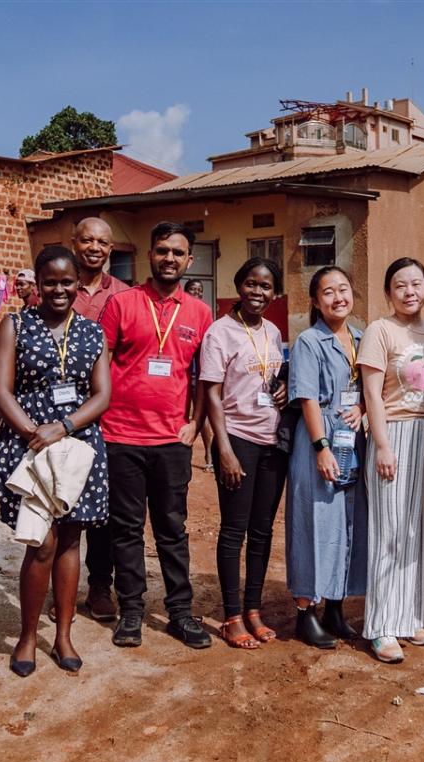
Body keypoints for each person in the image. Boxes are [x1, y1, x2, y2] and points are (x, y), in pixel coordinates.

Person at [0, 246, 111, 677]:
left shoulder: (93, 332)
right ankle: (26, 636)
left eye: (66, 282)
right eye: (50, 282)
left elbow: (102, 395)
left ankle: (62, 634)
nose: (58, 290)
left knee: (71, 540)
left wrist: (61, 426)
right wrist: (31, 434)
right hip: (29, 445)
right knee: (40, 541)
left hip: (79, 445)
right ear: (36, 284)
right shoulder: (16, 324)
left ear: (79, 283)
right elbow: (2, 390)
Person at [99, 221, 214, 649]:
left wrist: (195, 424)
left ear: (189, 260)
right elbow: (101, 364)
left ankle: (180, 613)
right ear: (150, 254)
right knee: (125, 529)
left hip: (171, 441)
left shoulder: (200, 313)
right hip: (121, 437)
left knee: (172, 528)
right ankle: (131, 611)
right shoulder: (122, 303)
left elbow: (205, 379)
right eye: (162, 250)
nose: (169, 258)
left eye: (178, 252)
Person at [357, 257, 424, 664]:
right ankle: (381, 625)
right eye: (400, 285)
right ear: (388, 292)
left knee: (423, 530)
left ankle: (412, 613)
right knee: (391, 532)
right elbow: (372, 395)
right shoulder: (380, 330)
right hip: (394, 434)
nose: (409, 291)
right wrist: (381, 445)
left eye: (416, 283)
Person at [200, 257, 288, 648]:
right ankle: (232, 615)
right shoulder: (220, 333)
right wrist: (224, 449)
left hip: (272, 442)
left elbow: (271, 379)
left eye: (266, 286)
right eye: (251, 283)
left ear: (274, 293)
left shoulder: (272, 330)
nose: (258, 292)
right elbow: (212, 395)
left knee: (263, 530)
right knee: (234, 530)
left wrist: (283, 390)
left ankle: (253, 608)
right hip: (238, 439)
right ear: (239, 285)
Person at [286, 266, 368, 649]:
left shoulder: (360, 337)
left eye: (344, 289)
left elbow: (371, 388)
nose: (338, 298)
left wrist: (364, 411)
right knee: (314, 523)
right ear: (316, 302)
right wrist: (320, 449)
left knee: (348, 525)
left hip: (352, 444)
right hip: (318, 444)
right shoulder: (309, 341)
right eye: (328, 292)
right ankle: (306, 611)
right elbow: (307, 398)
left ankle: (336, 606)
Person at [68, 217, 130, 623]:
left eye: (102, 242)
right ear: (74, 243)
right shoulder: (55, 283)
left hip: (109, 412)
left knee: (102, 507)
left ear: (111, 249)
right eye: (87, 240)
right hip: (59, 411)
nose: (94, 247)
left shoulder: (125, 294)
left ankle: (99, 587)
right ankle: (61, 587)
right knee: (63, 499)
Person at [184, 278, 216, 471]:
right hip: (181, 375)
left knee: (201, 415)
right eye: (192, 289)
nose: (196, 293)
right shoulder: (180, 311)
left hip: (199, 374)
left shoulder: (205, 313)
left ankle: (209, 453)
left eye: (199, 290)